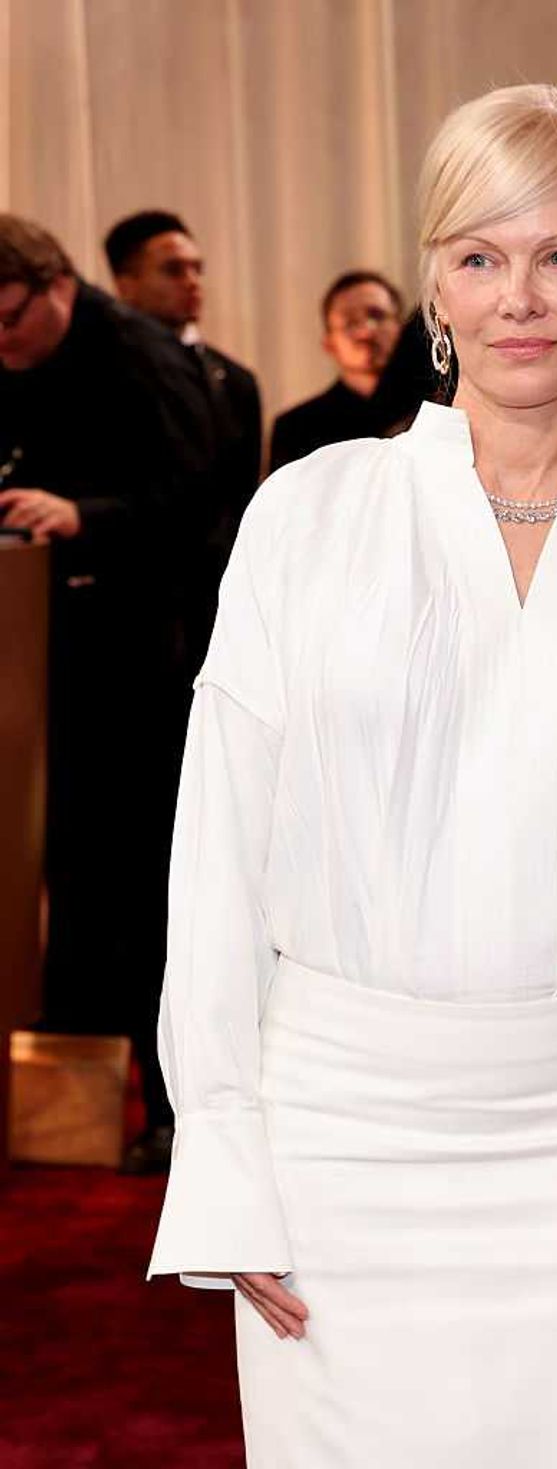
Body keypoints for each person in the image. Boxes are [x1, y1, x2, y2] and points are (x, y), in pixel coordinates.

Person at [148, 86, 557, 1467]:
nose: (521, 297)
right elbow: (216, 846)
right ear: (435, 286)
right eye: (479, 255)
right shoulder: (310, 514)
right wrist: (222, 1148)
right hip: (342, 1136)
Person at [0, 214, 216, 1172]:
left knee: (147, 904)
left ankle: (177, 1111)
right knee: (71, 901)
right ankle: (69, 1113)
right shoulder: (19, 353)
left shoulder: (138, 354)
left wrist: (81, 514)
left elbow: (199, 505)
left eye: (10, 322)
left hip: (145, 672)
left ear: (55, 286)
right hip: (47, 668)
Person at [104, 210, 262, 671]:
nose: (192, 281)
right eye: (173, 270)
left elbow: (240, 498)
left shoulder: (235, 380)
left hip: (217, 602)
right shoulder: (98, 374)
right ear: (125, 282)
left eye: (198, 269)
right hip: (127, 603)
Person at [269, 270, 403, 468]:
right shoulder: (297, 428)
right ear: (329, 343)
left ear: (400, 327)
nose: (365, 332)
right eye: (350, 323)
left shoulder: (434, 410)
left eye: (377, 316)